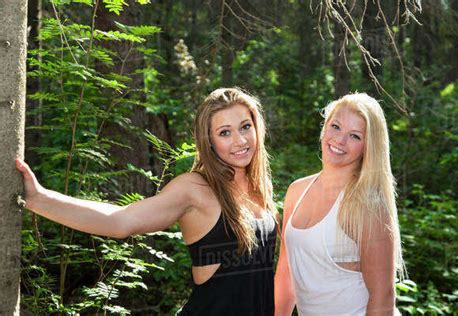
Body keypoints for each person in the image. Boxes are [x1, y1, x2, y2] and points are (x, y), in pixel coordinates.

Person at [16, 87, 277, 316]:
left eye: (245, 127)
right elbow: (121, 220)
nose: (240, 140)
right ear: (209, 141)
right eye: (224, 132)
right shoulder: (195, 189)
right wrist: (39, 198)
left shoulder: (259, 189)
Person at [274, 93, 405, 315]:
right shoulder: (297, 191)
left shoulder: (367, 206)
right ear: (325, 127)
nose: (340, 141)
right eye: (336, 126)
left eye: (354, 136)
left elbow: (383, 299)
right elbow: (286, 275)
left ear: (368, 147)